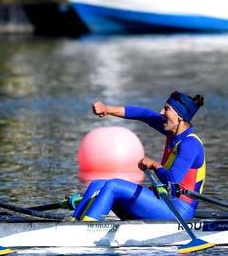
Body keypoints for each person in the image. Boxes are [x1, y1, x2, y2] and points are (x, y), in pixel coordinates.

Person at [73, 91, 206, 221]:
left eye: (166, 109)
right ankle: (74, 225)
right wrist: (107, 109)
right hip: (165, 203)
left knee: (113, 186)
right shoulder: (172, 132)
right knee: (97, 184)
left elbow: (171, 180)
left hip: (180, 210)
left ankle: (86, 230)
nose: (161, 113)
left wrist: (154, 165)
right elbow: (144, 114)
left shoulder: (190, 144)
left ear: (180, 116)